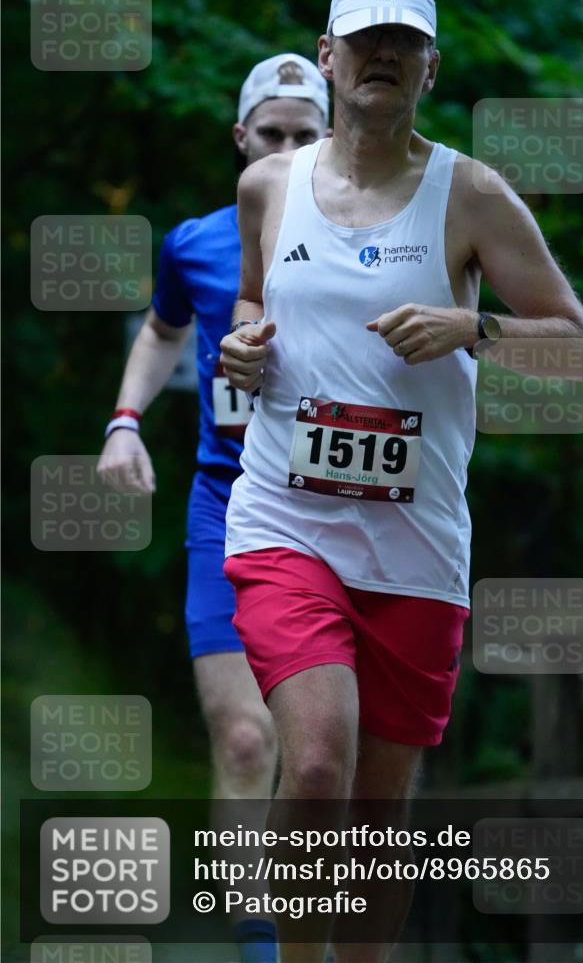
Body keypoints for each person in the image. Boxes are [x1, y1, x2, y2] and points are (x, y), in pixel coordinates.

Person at [220, 0, 583, 959]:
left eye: (403, 41)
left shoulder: (470, 193)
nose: (382, 56)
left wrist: (472, 326)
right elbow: (252, 303)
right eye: (365, 40)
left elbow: (575, 343)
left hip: (415, 547)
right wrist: (242, 342)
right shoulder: (269, 185)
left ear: (429, 65)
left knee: (379, 816)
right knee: (313, 766)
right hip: (285, 520)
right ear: (331, 56)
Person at [97, 53, 329, 963]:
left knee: (324, 751)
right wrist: (124, 422)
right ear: (240, 140)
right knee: (242, 737)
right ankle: (257, 949)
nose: (285, 150)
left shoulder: (370, 246)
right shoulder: (193, 242)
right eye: (270, 134)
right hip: (225, 510)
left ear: (333, 140)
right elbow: (162, 331)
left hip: (338, 519)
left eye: (305, 137)